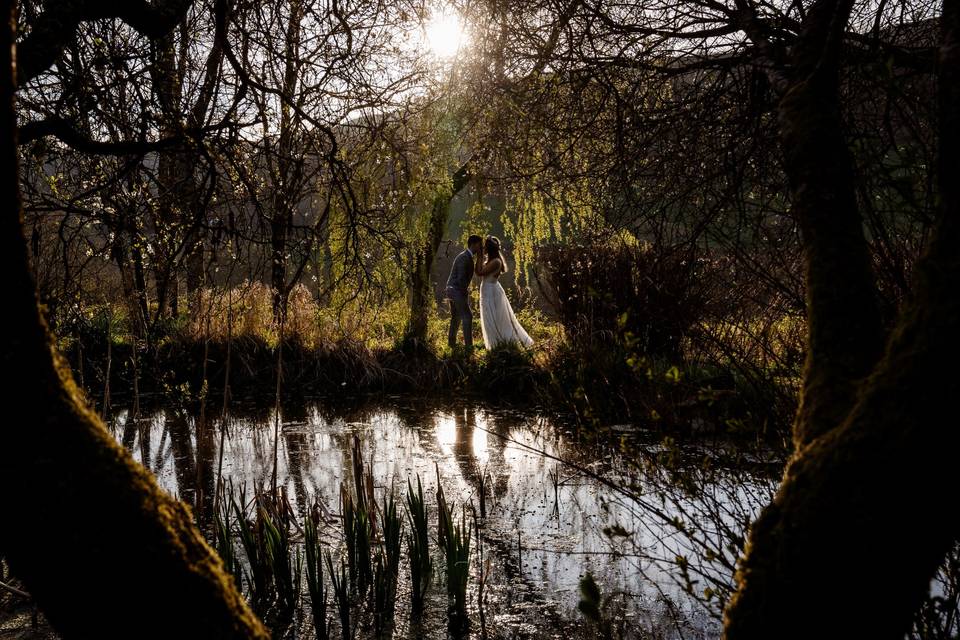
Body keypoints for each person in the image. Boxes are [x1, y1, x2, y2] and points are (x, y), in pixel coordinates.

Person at [475, 236, 534, 349]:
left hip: (491, 291)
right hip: (487, 290)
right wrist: (481, 256)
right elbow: (478, 270)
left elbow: (479, 272)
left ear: (490, 248)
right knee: (489, 317)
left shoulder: (496, 262)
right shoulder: (490, 261)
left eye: (485, 246)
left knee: (495, 318)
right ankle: (495, 344)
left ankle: (501, 343)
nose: (483, 248)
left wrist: (479, 255)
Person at [445, 234, 483, 349]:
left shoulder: (467, 256)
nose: (481, 247)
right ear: (474, 244)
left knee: (456, 316)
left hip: (453, 289)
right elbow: (461, 278)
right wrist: (464, 293)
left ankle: (451, 344)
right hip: (456, 290)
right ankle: (469, 347)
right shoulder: (464, 257)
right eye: (480, 245)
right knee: (468, 316)